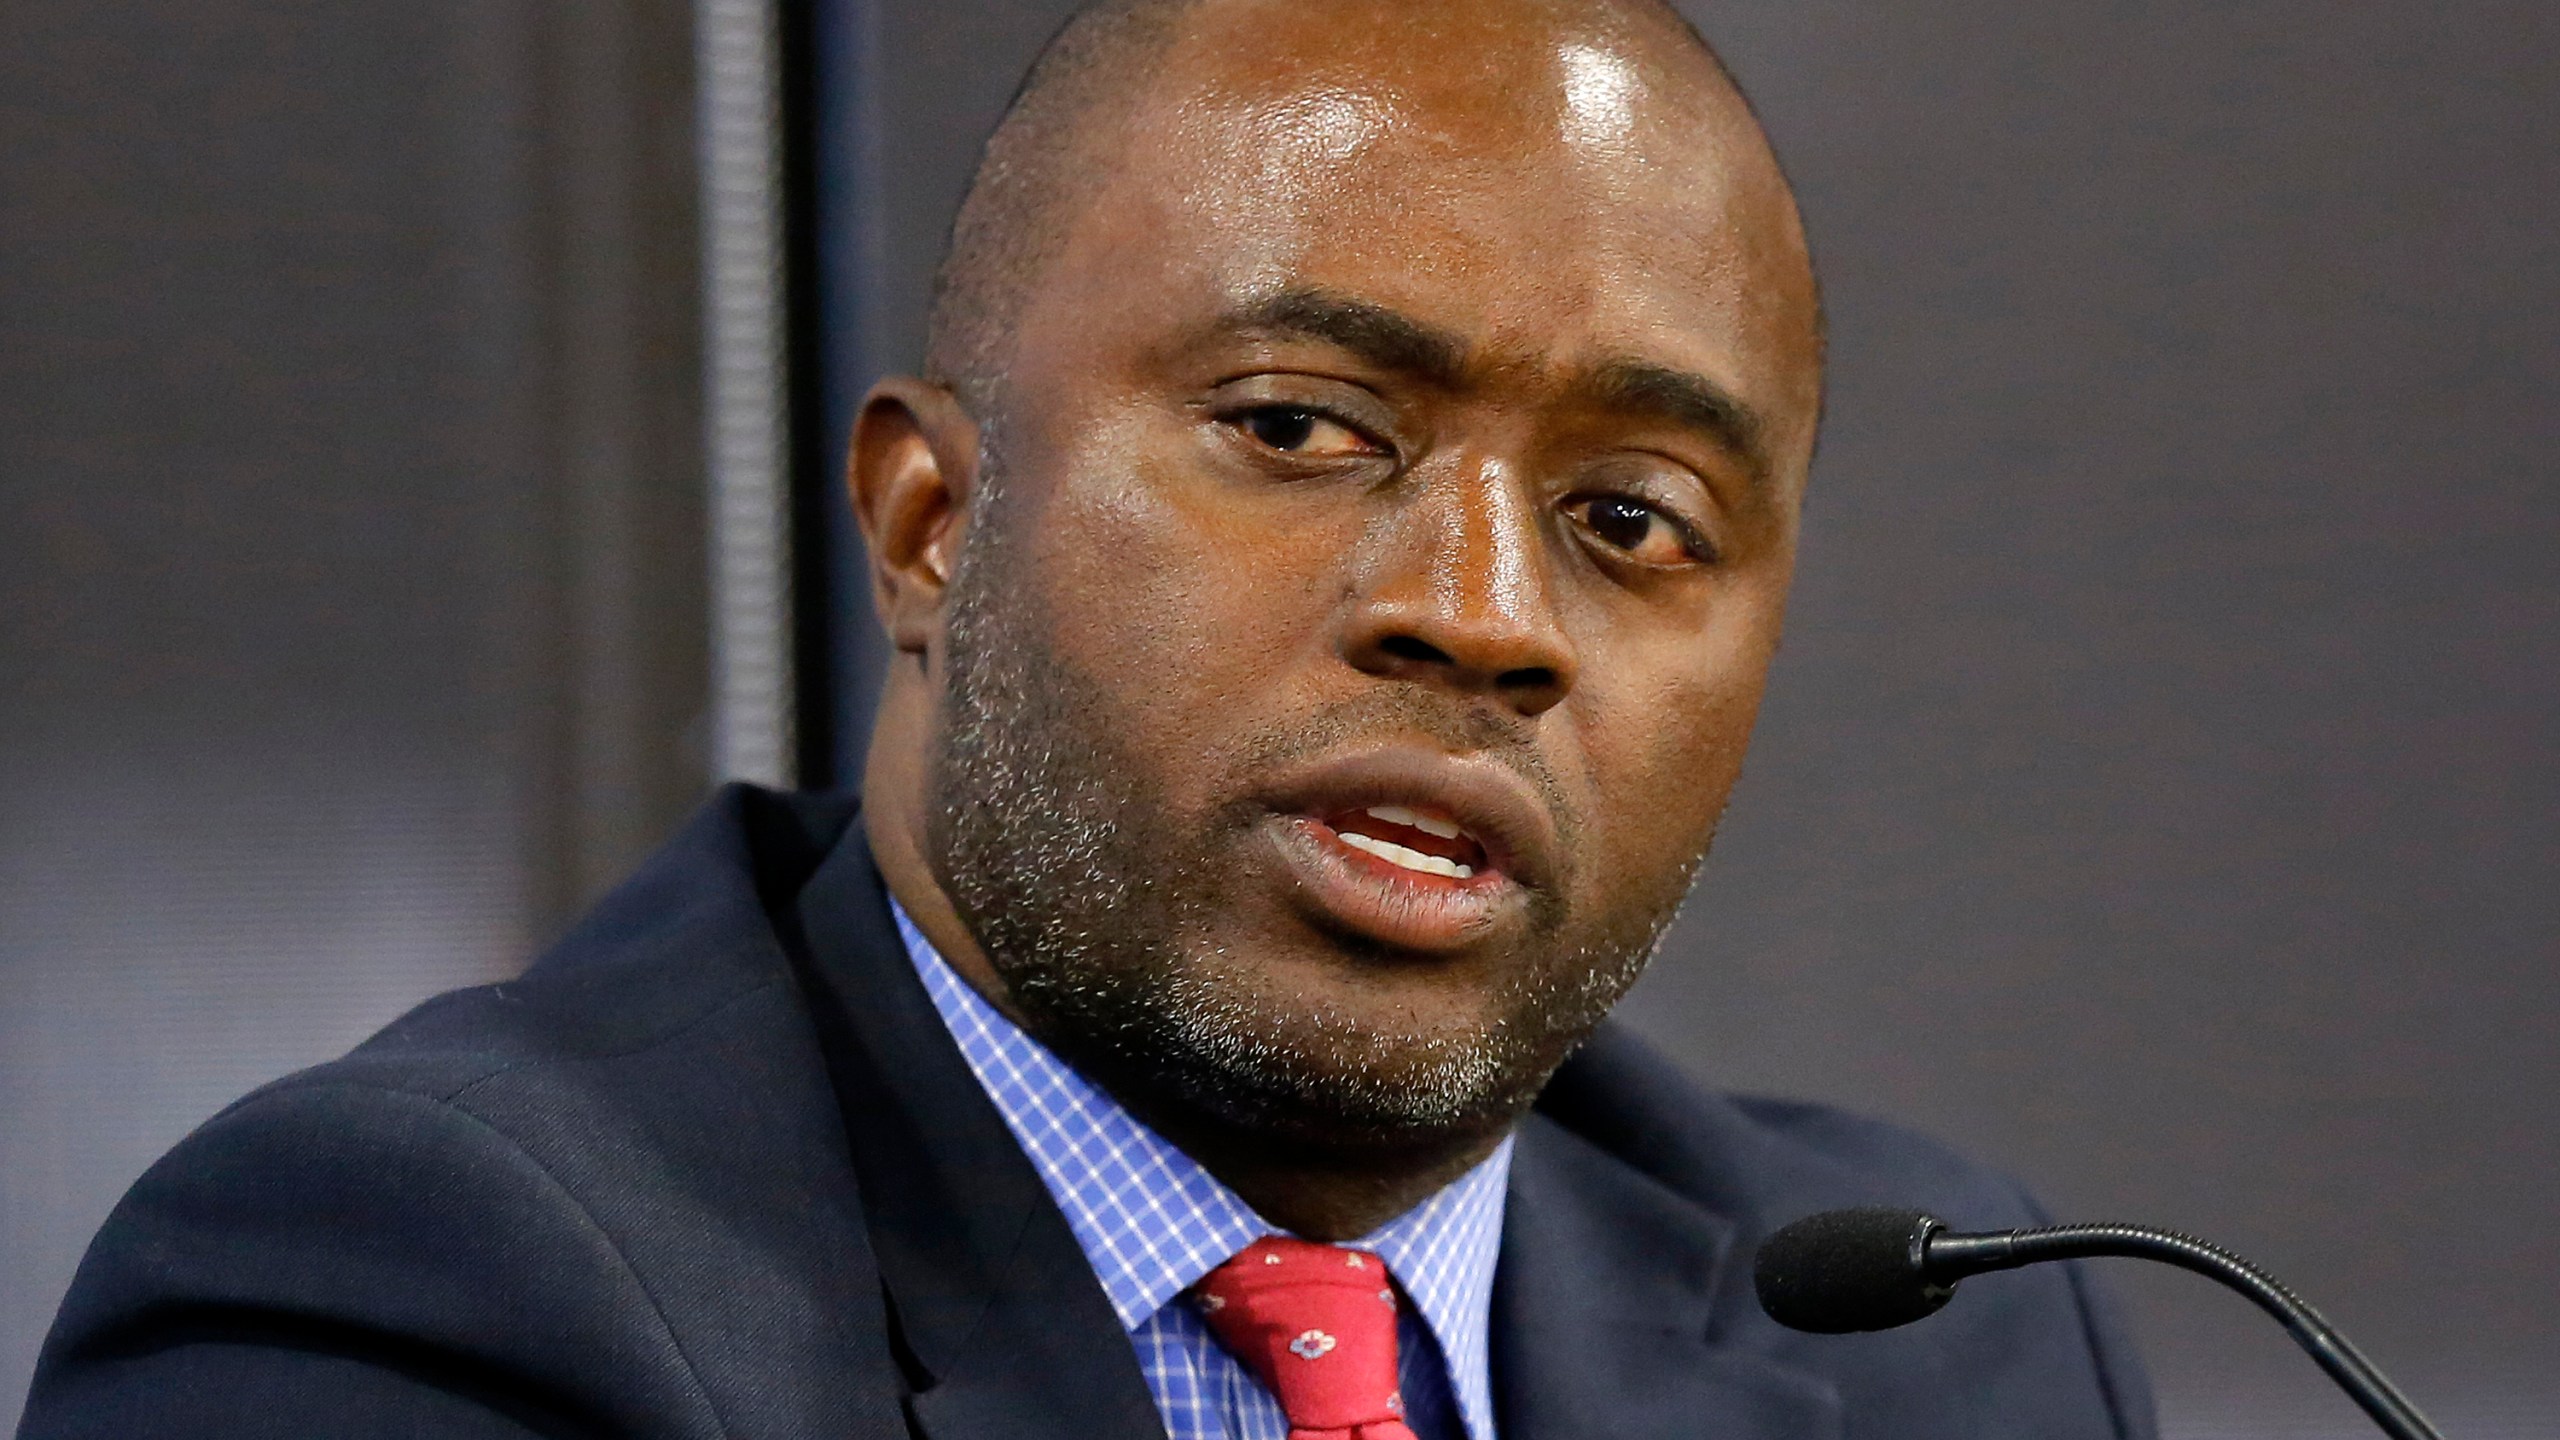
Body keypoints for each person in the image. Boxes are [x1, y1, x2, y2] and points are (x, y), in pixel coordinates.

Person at [19, 1, 2156, 1436]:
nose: (1485, 620)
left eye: (1628, 517)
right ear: (932, 522)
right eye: (1301, 428)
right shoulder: (420, 1297)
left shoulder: (1946, 1344)